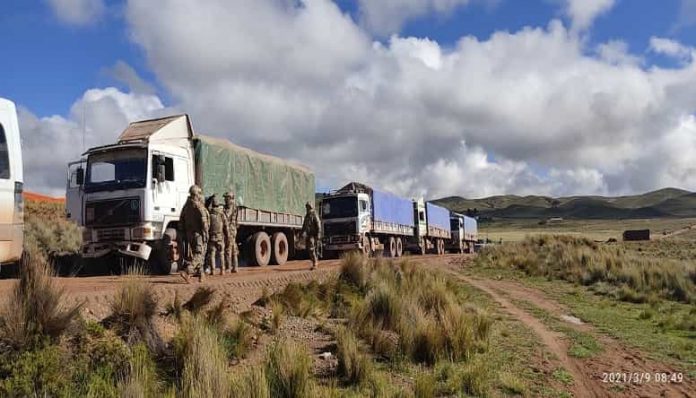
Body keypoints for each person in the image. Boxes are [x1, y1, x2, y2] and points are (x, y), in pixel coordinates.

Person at [179, 185, 209, 283]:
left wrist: (183, 233)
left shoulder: (186, 206)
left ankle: (201, 275)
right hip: (198, 234)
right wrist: (206, 233)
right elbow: (204, 222)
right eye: (199, 194)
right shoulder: (198, 206)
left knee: (198, 253)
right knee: (199, 254)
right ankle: (187, 271)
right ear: (196, 194)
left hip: (189, 234)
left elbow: (181, 221)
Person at [206, 195, 228, 276]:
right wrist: (227, 236)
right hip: (220, 237)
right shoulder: (221, 213)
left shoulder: (209, 213)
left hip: (212, 237)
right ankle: (222, 270)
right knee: (221, 253)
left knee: (212, 254)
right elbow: (226, 225)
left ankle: (213, 270)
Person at [301, 201, 321, 270]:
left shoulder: (314, 214)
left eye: (307, 207)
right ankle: (314, 261)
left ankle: (315, 263)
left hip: (314, 234)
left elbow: (318, 225)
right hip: (309, 234)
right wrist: (302, 233)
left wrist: (318, 234)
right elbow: (304, 225)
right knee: (309, 249)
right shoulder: (307, 216)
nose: (306, 208)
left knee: (312, 248)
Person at [223, 191, 239, 273]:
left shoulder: (231, 207)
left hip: (230, 230)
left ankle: (229, 267)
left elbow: (227, 216)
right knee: (233, 248)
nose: (225, 200)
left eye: (227, 198)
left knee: (228, 249)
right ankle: (235, 267)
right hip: (232, 229)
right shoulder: (231, 206)